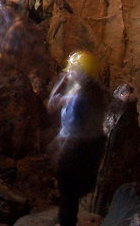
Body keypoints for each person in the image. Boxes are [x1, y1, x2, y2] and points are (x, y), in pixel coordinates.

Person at [47, 51, 110, 226]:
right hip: (94, 146)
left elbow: (70, 124)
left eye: (73, 70)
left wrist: (58, 145)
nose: (69, 73)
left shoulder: (80, 97)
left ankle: (66, 223)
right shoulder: (94, 91)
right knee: (77, 187)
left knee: (68, 188)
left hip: (77, 148)